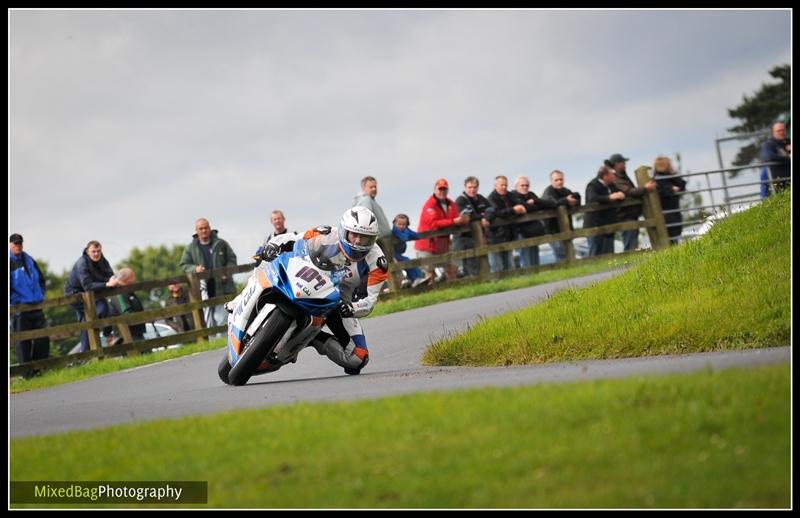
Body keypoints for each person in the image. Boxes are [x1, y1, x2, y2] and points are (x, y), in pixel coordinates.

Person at [256, 207, 388, 375]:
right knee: (261, 258)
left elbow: (370, 301)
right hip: (305, 280)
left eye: (364, 238)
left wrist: (352, 308)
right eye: (354, 234)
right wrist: (273, 245)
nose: (357, 241)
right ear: (344, 231)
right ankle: (240, 301)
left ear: (373, 238)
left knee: (357, 359)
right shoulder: (326, 234)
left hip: (337, 303)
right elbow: (292, 238)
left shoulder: (378, 262)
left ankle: (312, 338)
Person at [179, 218, 237, 328]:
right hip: (203, 291)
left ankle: (224, 342)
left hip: (222, 288)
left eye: (206, 228)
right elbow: (184, 265)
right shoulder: (190, 248)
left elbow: (232, 259)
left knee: (222, 320)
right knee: (208, 322)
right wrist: (195, 269)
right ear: (196, 231)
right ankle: (215, 342)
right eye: (201, 228)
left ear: (210, 228)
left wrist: (226, 272)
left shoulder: (221, 244)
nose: (204, 230)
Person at [64, 240, 120, 353]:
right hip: (75, 295)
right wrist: (107, 284)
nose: (96, 254)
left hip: (90, 294)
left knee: (86, 322)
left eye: (98, 251)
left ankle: (85, 354)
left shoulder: (102, 260)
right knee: (102, 307)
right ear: (87, 252)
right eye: (93, 251)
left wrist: (115, 280)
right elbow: (88, 286)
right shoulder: (82, 263)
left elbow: (110, 276)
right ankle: (108, 336)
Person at [414, 178, 470, 284]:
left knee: (451, 269)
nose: (442, 192)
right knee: (430, 274)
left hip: (443, 244)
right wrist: (454, 221)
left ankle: (453, 292)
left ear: (447, 190)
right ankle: (433, 295)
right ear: (435, 189)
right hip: (426, 246)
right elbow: (433, 224)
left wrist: (462, 221)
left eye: (444, 189)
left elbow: (455, 218)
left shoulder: (451, 204)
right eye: (440, 189)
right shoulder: (429, 205)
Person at [9, 234, 50, 377]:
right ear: (10, 245)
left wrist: (40, 294)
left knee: (43, 338)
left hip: (36, 305)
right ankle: (27, 374)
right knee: (23, 343)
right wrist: (16, 301)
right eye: (15, 244)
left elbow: (42, 280)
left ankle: (39, 369)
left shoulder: (29, 259)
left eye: (20, 243)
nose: (18, 246)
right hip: (20, 310)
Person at [607, 153, 656, 251]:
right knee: (630, 245)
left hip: (630, 215)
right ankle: (629, 265)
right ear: (617, 164)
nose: (625, 164)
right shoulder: (616, 179)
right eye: (623, 162)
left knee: (632, 242)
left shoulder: (622, 176)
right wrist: (645, 188)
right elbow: (629, 191)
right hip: (625, 216)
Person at [511, 175, 557, 269]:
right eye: (522, 185)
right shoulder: (512, 196)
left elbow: (550, 204)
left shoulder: (531, 195)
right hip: (520, 233)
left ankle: (536, 277)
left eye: (527, 185)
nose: (525, 187)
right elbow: (524, 207)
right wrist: (533, 206)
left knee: (535, 259)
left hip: (532, 232)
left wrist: (535, 201)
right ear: (516, 186)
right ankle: (528, 278)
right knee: (526, 260)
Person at [486, 175, 527, 273]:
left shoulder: (510, 195)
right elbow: (497, 212)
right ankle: (498, 286)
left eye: (505, 185)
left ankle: (512, 284)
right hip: (495, 237)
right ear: (495, 186)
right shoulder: (491, 198)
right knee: (497, 266)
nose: (504, 187)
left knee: (509, 264)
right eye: (501, 185)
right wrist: (513, 210)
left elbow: (520, 204)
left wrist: (521, 208)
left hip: (508, 235)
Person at [453, 176, 492, 277]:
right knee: (469, 264)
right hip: (463, 238)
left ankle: (482, 281)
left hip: (479, 237)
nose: (472, 190)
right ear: (465, 187)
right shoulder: (460, 200)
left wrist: (486, 216)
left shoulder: (481, 198)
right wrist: (482, 216)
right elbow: (468, 217)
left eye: (474, 187)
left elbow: (491, 209)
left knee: (480, 260)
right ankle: (474, 283)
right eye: (470, 187)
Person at [584, 165, 626, 257]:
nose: (614, 176)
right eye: (612, 174)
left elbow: (618, 193)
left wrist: (620, 194)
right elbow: (592, 198)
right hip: (595, 225)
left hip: (608, 223)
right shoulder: (593, 185)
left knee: (609, 254)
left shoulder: (611, 185)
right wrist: (609, 197)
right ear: (605, 176)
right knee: (595, 253)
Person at [541, 170, 581, 262]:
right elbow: (552, 203)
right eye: (556, 180)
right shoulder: (548, 192)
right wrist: (566, 201)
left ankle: (572, 272)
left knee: (570, 252)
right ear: (551, 181)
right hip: (552, 230)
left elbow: (577, 202)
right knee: (561, 254)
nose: (559, 182)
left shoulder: (566, 191)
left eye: (561, 179)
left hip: (566, 228)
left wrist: (574, 201)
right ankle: (565, 273)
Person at [107, 268, 147, 348]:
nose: (134, 279)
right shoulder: (119, 293)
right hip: (128, 335)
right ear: (127, 278)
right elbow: (126, 313)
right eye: (133, 277)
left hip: (135, 332)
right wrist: (144, 317)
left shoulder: (127, 292)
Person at [652, 156, 687, 245]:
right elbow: (662, 191)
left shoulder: (668, 176)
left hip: (673, 210)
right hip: (667, 212)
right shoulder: (658, 178)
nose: (671, 166)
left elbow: (682, 185)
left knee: (676, 232)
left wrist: (673, 175)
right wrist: (671, 189)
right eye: (669, 164)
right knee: (672, 234)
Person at [353, 176, 392, 254]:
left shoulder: (370, 200)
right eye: (371, 187)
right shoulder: (366, 200)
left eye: (375, 186)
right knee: (387, 266)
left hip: (381, 241)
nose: (374, 189)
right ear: (364, 188)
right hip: (379, 243)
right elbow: (365, 221)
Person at [391, 213, 426, 288]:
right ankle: (415, 279)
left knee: (410, 262)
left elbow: (416, 235)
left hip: (398, 253)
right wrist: (407, 232)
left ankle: (417, 278)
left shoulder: (405, 229)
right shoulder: (395, 230)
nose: (401, 226)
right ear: (394, 223)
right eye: (399, 224)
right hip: (392, 255)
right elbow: (403, 237)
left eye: (404, 224)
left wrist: (410, 232)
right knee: (407, 261)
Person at [761, 121, 791, 193]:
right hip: (779, 183)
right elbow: (768, 157)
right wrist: (788, 158)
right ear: (773, 132)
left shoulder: (788, 142)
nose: (781, 132)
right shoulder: (769, 144)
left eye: (783, 130)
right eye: (778, 131)